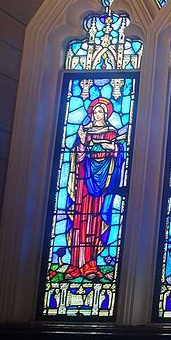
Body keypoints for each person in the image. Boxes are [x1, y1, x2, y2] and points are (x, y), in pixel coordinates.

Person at [64, 97, 124, 280]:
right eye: (96, 112)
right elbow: (78, 158)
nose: (98, 115)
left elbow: (119, 155)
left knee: (97, 220)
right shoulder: (85, 132)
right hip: (84, 181)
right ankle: (75, 264)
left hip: (103, 182)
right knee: (80, 221)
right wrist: (82, 142)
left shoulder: (112, 133)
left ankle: (91, 264)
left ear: (106, 114)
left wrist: (113, 148)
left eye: (101, 112)